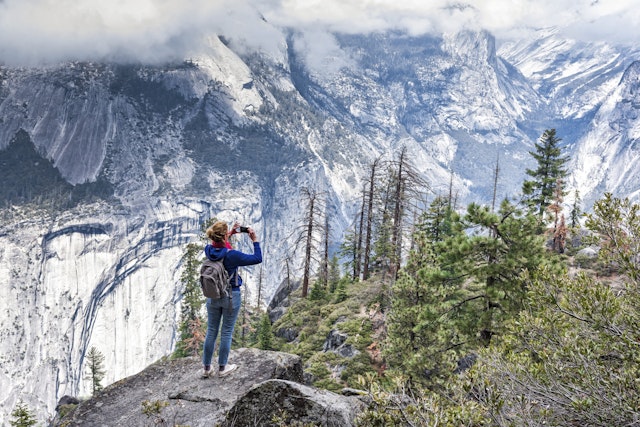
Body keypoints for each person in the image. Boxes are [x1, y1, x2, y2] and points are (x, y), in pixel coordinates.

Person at [201, 220, 262, 378]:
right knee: (226, 332)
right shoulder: (232, 255)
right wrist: (254, 239)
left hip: (213, 295)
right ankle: (222, 368)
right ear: (224, 236)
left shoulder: (209, 249)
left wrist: (232, 233)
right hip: (230, 296)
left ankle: (207, 368)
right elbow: (257, 258)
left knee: (211, 331)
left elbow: (220, 244)